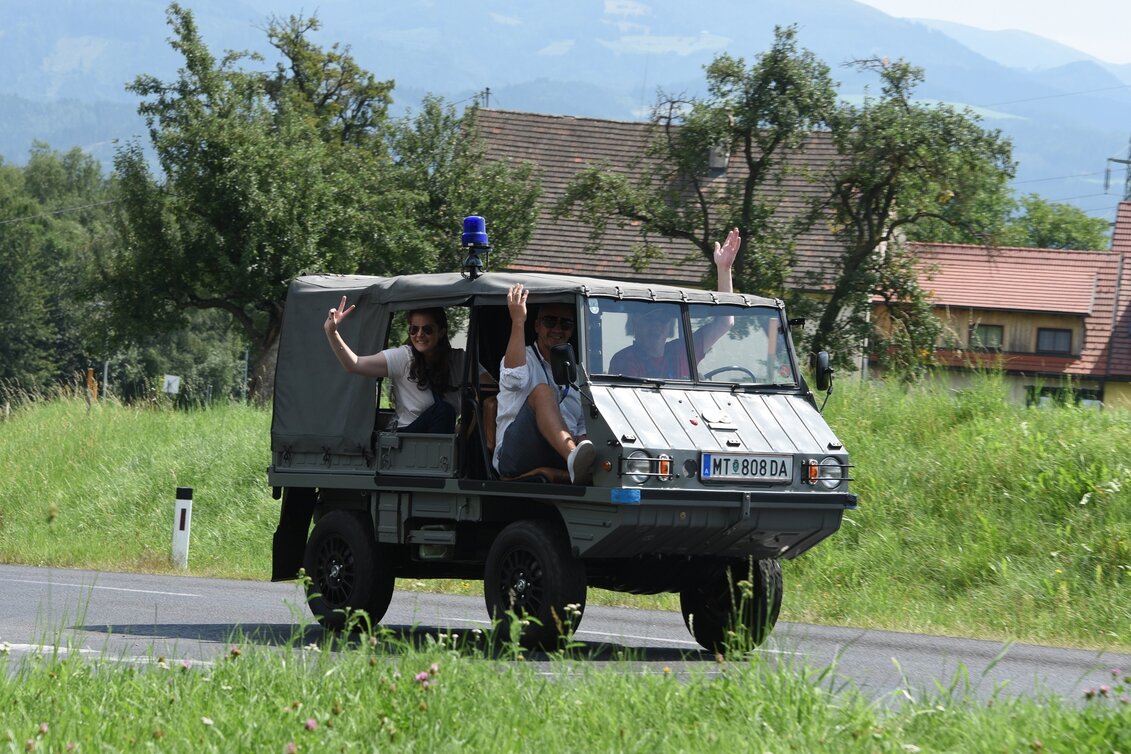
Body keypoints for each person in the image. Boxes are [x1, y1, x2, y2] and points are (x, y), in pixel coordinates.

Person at [493, 285, 594, 484]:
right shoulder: (524, 359)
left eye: (565, 324)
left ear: (572, 330)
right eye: (550, 321)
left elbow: (583, 423)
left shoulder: (576, 372)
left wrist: (582, 440)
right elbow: (513, 379)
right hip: (515, 455)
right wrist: (518, 321)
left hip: (559, 451)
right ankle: (573, 457)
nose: (557, 329)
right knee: (542, 392)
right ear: (537, 325)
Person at [608, 227, 740, 378]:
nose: (657, 326)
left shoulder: (682, 351)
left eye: (663, 319)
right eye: (650, 318)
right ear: (635, 322)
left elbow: (725, 322)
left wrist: (724, 269)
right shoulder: (625, 359)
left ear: (670, 325)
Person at [324, 298, 464, 433]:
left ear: (441, 332)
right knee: (444, 410)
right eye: (414, 329)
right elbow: (355, 364)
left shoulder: (457, 359)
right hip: (407, 437)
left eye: (427, 329)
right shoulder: (403, 357)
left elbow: (486, 389)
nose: (419, 335)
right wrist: (332, 332)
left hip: (444, 437)